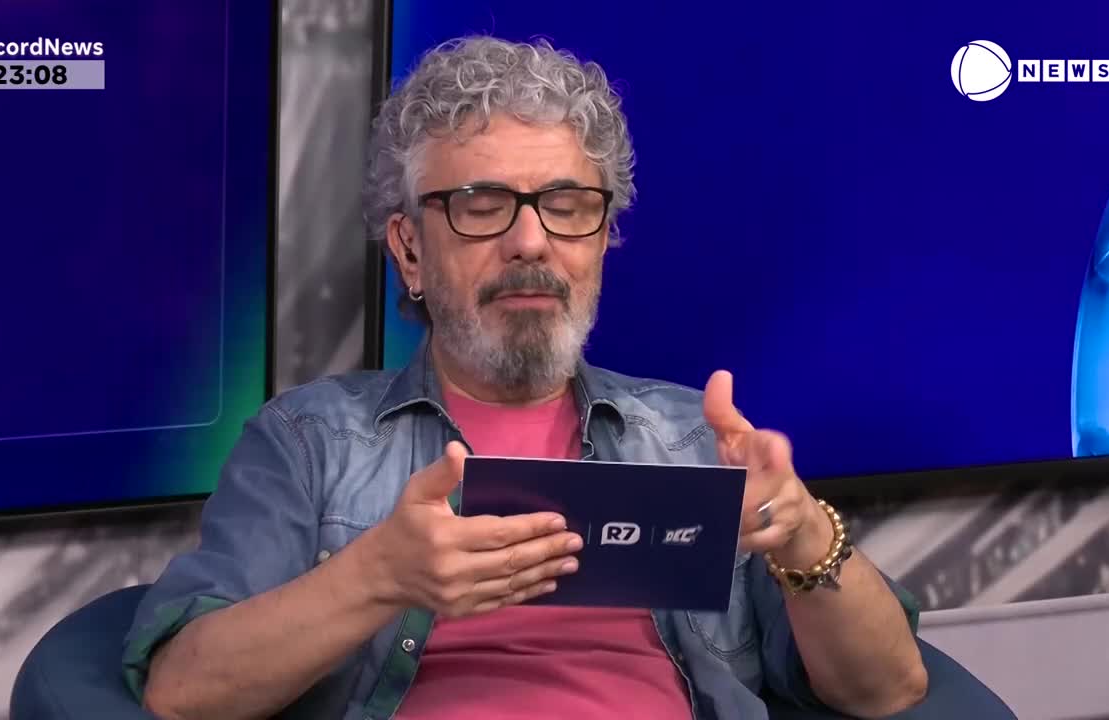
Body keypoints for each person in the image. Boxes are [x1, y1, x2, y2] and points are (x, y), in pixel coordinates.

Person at [124, 36, 927, 720]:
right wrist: (377, 577)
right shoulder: (309, 440)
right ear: (408, 249)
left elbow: (890, 688)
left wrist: (802, 533)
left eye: (568, 204)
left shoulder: (694, 438)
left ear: (602, 235)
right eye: (482, 205)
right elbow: (185, 688)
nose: (531, 242)